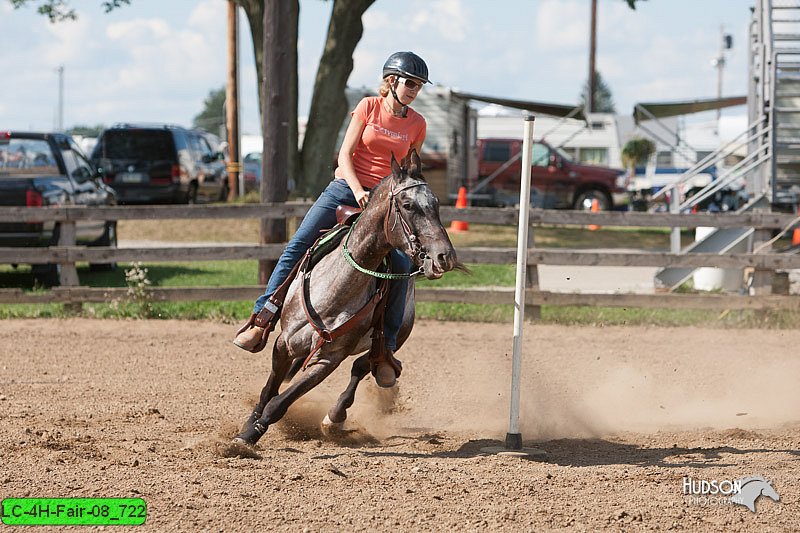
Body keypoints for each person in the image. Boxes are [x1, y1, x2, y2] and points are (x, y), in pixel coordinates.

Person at [233, 51, 430, 388]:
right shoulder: (368, 107)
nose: (414, 89)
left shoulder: (417, 124)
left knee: (399, 267)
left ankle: (385, 348)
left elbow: (409, 170)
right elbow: (345, 154)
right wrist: (357, 190)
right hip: (345, 189)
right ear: (391, 81)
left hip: (385, 203)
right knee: (298, 245)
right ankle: (263, 318)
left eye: (419, 85)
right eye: (409, 82)